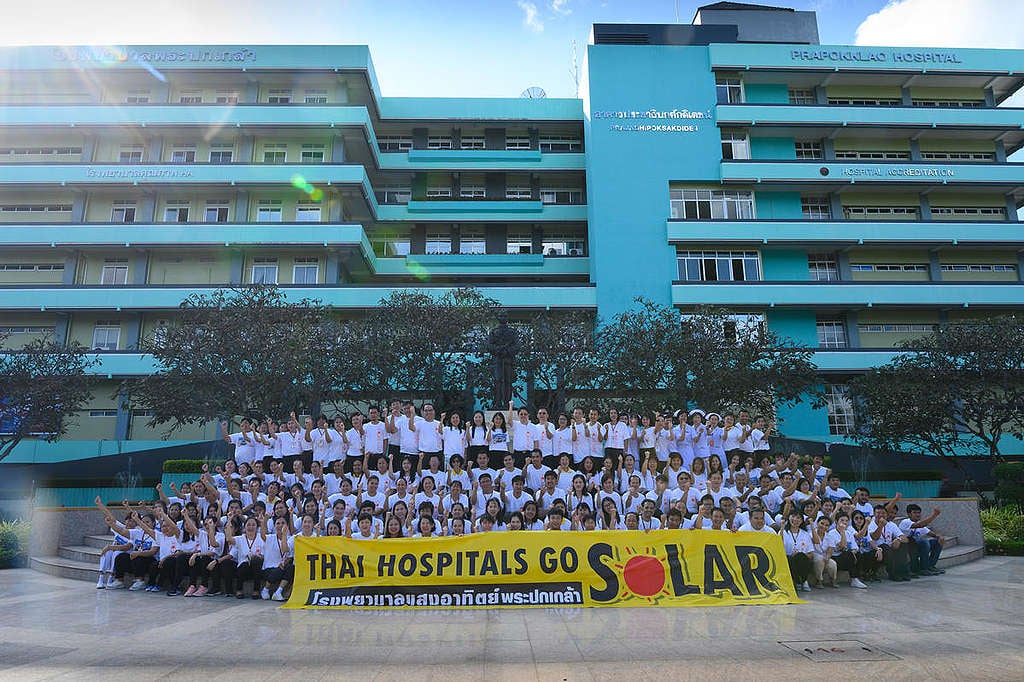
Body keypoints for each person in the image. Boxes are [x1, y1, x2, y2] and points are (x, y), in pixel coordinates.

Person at [899, 504, 946, 576]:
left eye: (919, 512)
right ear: (909, 514)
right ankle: (924, 568)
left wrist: (940, 537)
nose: (918, 515)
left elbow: (932, 534)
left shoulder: (920, 524)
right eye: (914, 513)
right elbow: (920, 525)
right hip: (906, 547)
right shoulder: (905, 522)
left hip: (915, 547)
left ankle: (930, 566)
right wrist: (934, 515)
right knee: (924, 542)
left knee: (937, 542)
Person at [781, 508, 814, 592]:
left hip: (802, 560)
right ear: (789, 518)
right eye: (793, 516)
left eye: (798, 517)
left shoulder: (805, 534)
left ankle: (802, 581)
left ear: (802, 521)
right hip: (787, 559)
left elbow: (810, 553)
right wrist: (781, 528)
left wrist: (799, 555)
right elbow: (778, 546)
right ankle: (798, 581)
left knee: (801, 557)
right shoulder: (783, 532)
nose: (795, 519)